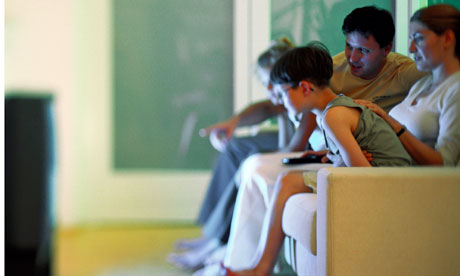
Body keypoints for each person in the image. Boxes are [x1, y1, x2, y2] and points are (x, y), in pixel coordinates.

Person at [227, 4, 460, 275]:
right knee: (261, 169)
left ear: (448, 39)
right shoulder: (422, 83)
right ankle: (248, 262)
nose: (353, 57)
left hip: (402, 177)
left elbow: (442, 163)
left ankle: (256, 266)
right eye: (350, 46)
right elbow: (293, 103)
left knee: (274, 175)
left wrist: (389, 127)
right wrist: (340, 153)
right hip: (366, 155)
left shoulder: (429, 81)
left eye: (418, 38)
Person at [225, 40, 413, 275]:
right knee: (287, 181)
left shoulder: (333, 116)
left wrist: (342, 162)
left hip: (392, 185)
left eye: (284, 93)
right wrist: (331, 155)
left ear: (304, 88)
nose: (280, 102)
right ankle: (260, 267)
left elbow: (365, 178)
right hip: (381, 175)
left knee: (287, 181)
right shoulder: (331, 112)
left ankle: (260, 268)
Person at [167, 38, 318, 271]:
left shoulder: (303, 98)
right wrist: (234, 121)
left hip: (303, 154)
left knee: (249, 164)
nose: (268, 91)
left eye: (270, 83)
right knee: (237, 150)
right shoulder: (287, 94)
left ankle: (218, 244)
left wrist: (265, 160)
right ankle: (212, 238)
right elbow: (268, 107)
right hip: (292, 150)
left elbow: (294, 149)